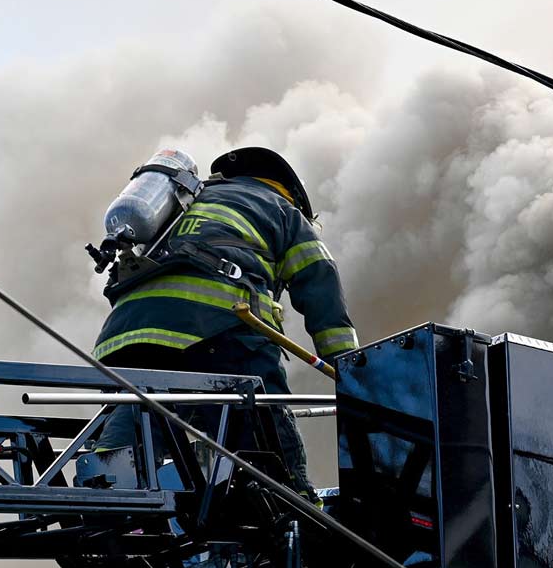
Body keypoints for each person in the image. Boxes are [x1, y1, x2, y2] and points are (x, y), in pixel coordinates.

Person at [90, 147, 358, 492]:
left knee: (139, 420)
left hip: (127, 334)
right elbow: (319, 282)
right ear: (288, 191)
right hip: (217, 325)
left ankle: (107, 493)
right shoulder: (280, 208)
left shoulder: (185, 203)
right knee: (261, 426)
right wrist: (351, 370)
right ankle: (292, 506)